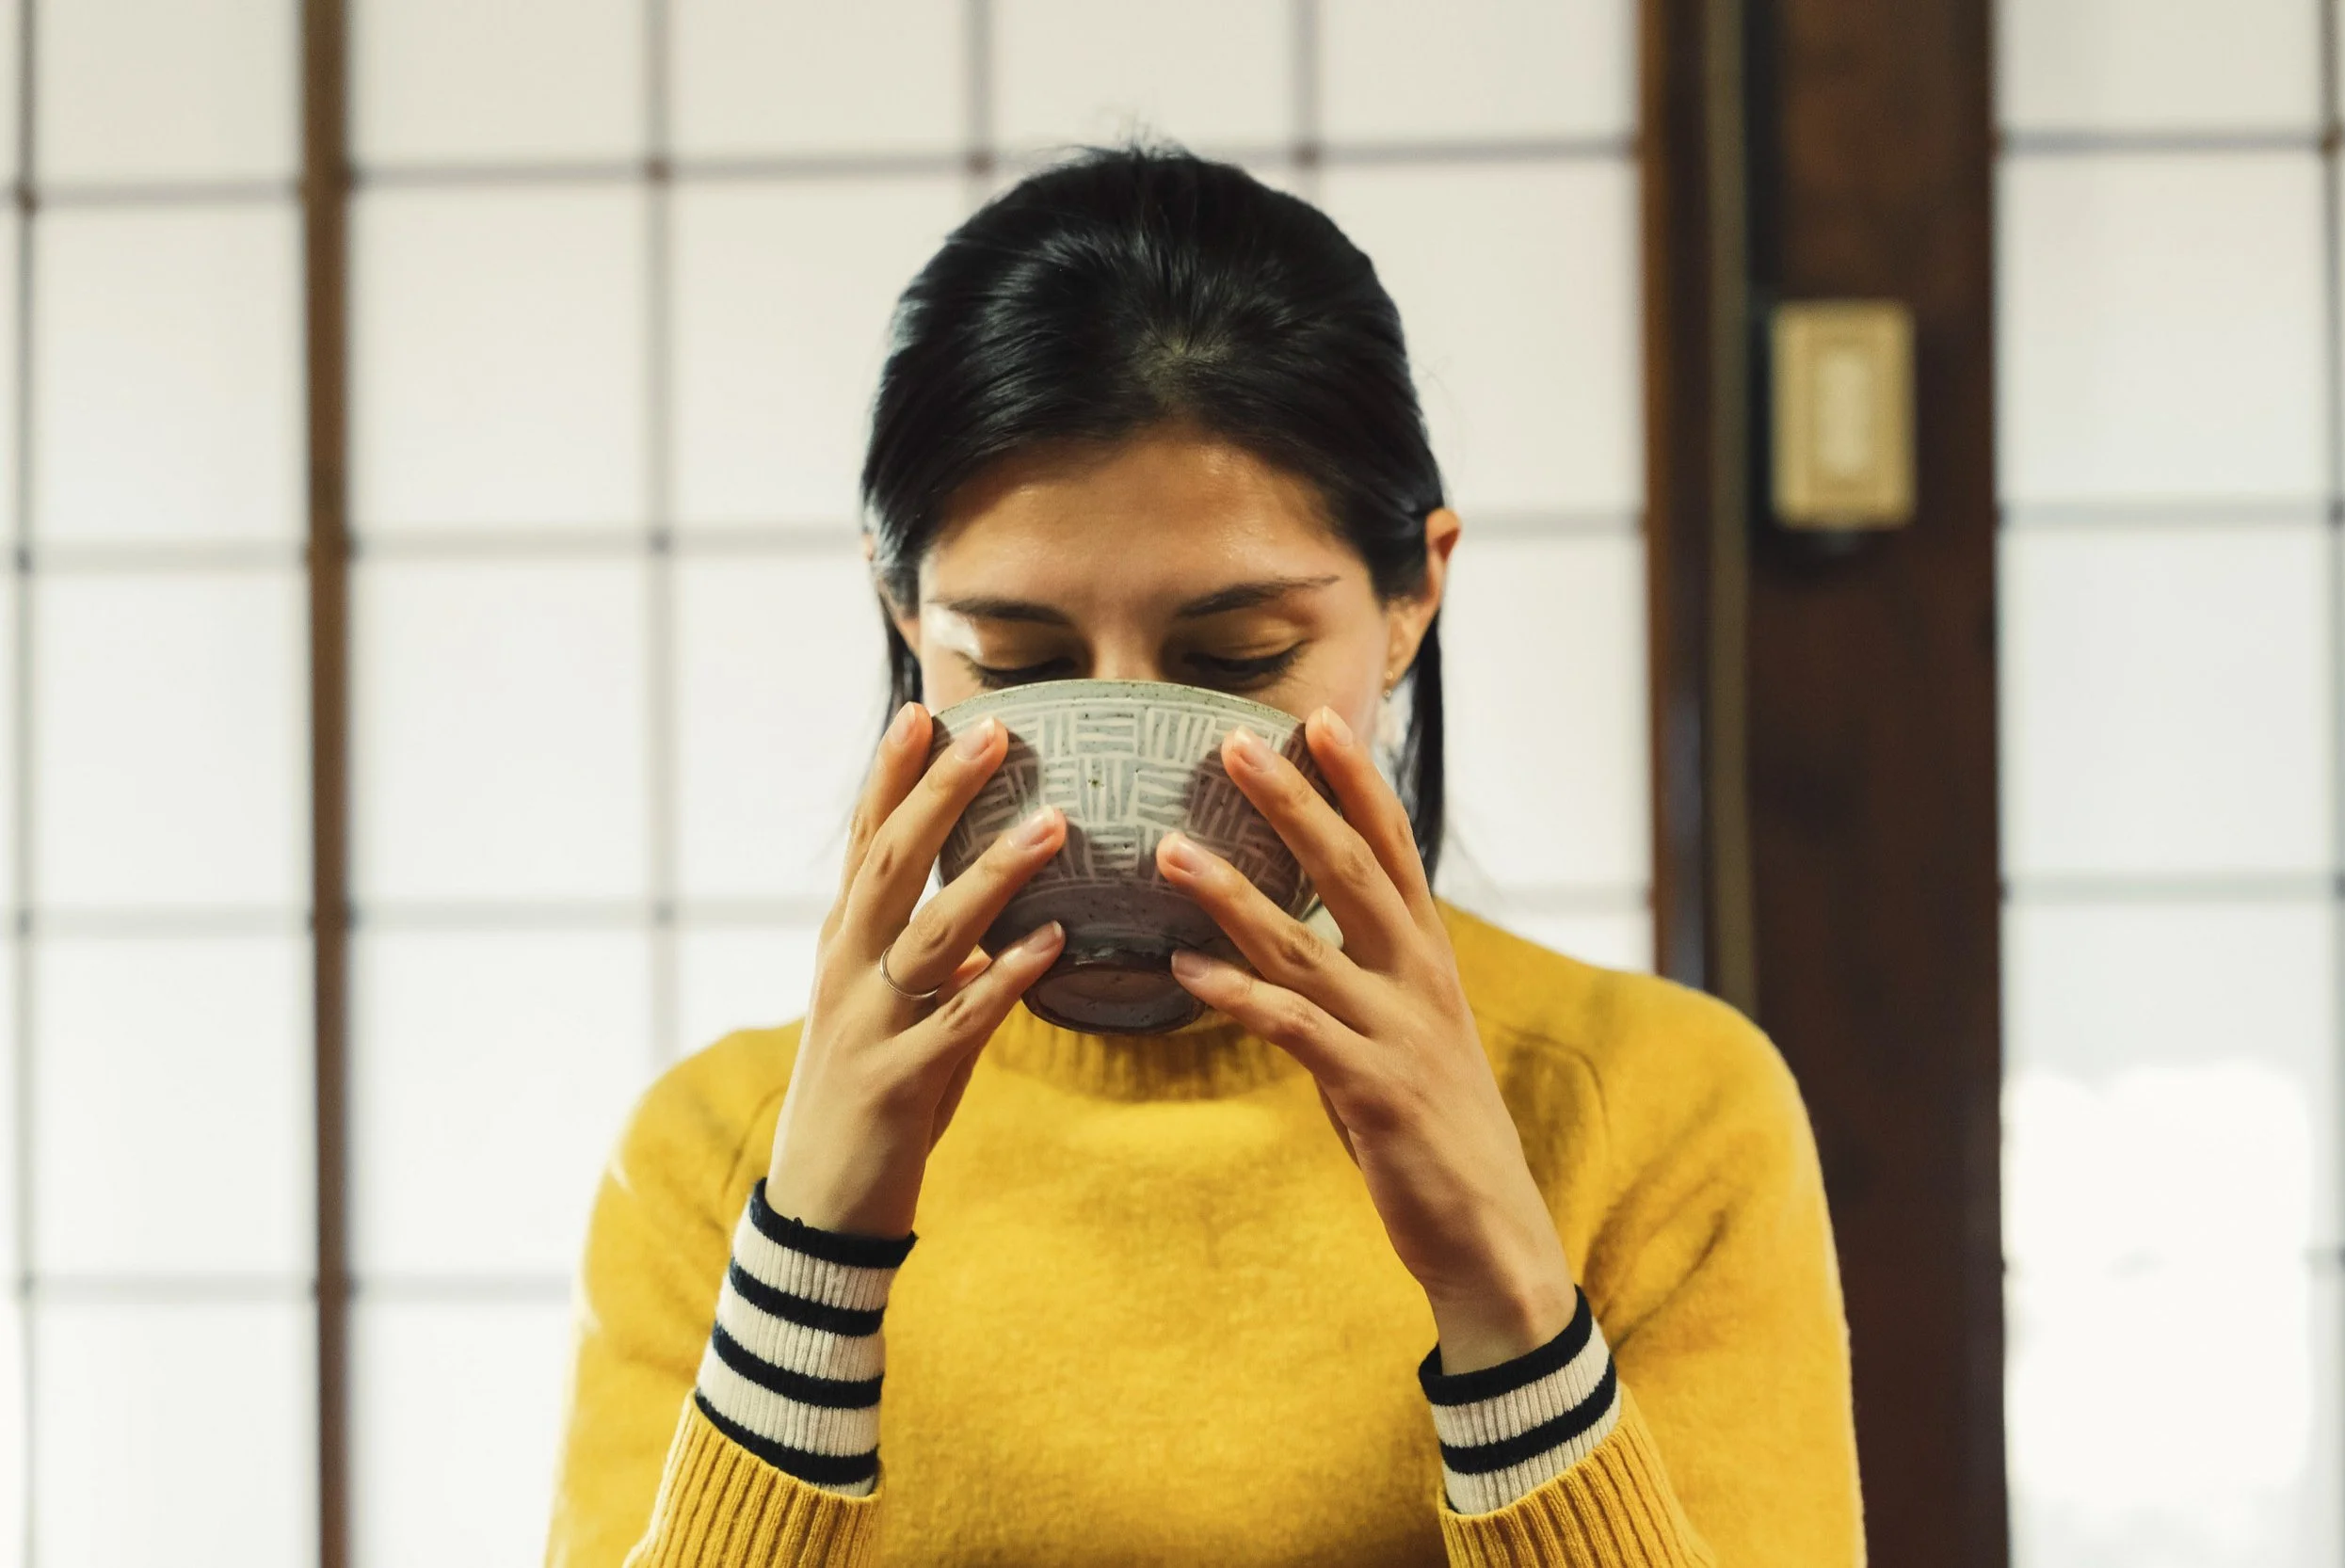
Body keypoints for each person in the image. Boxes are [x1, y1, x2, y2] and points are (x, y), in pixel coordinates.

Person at [545, 146, 1860, 1568]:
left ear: (1414, 596)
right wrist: (809, 1269)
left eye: (1236, 660)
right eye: (1021, 661)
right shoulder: (723, 1154)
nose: (1133, 757)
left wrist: (1505, 1297)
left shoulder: (1655, 1112)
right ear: (902, 615)